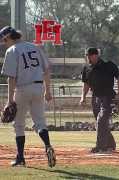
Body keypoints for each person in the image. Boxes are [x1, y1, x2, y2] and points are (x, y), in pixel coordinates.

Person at [0, 26, 56, 167]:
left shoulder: (12, 50)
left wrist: (9, 100)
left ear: (8, 37)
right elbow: (47, 69)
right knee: (40, 123)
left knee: (19, 124)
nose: (3, 43)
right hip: (38, 87)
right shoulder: (34, 47)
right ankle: (48, 145)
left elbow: (11, 78)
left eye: (3, 40)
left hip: (22, 88)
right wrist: (47, 91)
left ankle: (20, 158)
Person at [80, 47, 119, 153]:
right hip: (95, 97)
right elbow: (86, 84)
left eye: (90, 55)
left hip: (108, 97)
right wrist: (83, 97)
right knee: (101, 122)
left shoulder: (108, 65)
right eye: (87, 56)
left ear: (96, 55)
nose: (88, 58)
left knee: (101, 120)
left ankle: (100, 146)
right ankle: (111, 144)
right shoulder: (86, 68)